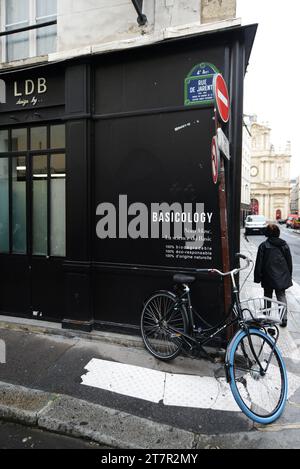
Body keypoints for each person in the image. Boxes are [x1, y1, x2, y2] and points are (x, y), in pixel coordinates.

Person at [254, 223, 293, 327]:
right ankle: (283, 319)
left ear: (267, 233)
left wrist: (257, 277)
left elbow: (259, 264)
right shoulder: (284, 245)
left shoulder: (263, 246)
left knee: (267, 295)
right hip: (282, 276)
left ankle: (267, 316)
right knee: (281, 295)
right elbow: (289, 262)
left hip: (267, 276)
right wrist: (289, 275)